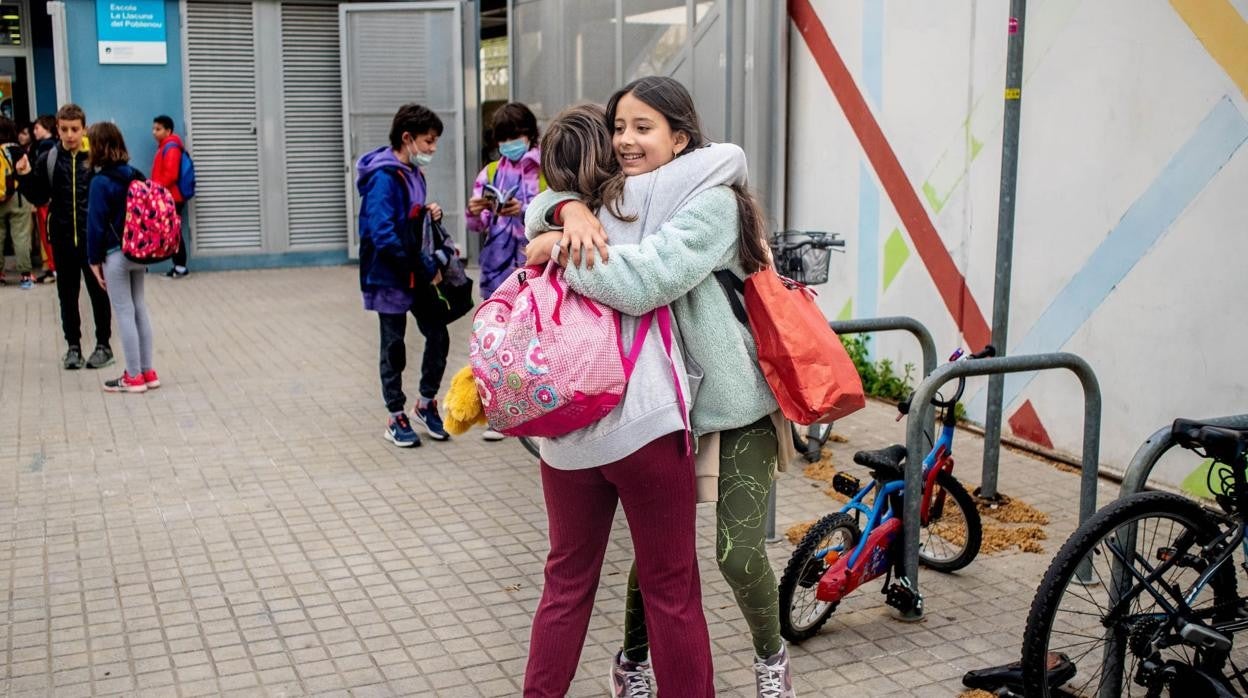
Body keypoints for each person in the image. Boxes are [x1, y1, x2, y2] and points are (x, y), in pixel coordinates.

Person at [525, 76, 796, 698]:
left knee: (734, 553)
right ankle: (633, 663)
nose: (625, 140)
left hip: (730, 405)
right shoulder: (630, 194)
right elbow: (559, 195)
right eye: (618, 126)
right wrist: (562, 213)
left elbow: (646, 280)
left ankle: (770, 655)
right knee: (661, 562)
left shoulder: (713, 204)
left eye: (642, 128)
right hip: (661, 408)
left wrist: (556, 247)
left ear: (681, 138)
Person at [356, 103, 453, 447]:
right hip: (389, 276)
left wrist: (430, 212)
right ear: (407, 138)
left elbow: (409, 220)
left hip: (414, 273)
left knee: (438, 335)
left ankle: (426, 404)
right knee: (394, 347)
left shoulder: (414, 174)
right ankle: (395, 414)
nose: (432, 149)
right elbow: (383, 234)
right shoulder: (383, 178)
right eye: (428, 141)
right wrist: (425, 267)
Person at [465, 102, 543, 442]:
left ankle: (539, 406)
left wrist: (522, 210)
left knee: (537, 340)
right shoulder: (492, 173)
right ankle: (500, 414)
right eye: (504, 139)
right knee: (495, 343)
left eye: (517, 136)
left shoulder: (546, 169)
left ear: (529, 135)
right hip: (497, 269)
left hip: (534, 268)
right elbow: (476, 223)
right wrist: (475, 210)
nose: (511, 144)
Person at [16, 104, 113, 370]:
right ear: (57, 129)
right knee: (67, 295)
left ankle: (104, 345)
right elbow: (38, 196)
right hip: (61, 239)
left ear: (84, 128)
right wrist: (23, 176)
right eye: (64, 129)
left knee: (98, 293)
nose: (70, 134)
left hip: (92, 240)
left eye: (75, 129)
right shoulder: (48, 158)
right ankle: (73, 347)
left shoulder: (96, 157)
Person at [84, 122, 160, 394]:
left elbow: (95, 225)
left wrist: (93, 260)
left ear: (96, 148)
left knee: (124, 312)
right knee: (140, 308)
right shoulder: (136, 174)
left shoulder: (100, 182)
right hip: (139, 251)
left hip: (115, 255)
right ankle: (148, 371)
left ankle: (133, 376)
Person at [150, 114, 189, 278]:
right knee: (172, 231)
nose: (154, 132)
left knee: (174, 232)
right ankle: (178, 266)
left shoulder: (171, 147)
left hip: (172, 197)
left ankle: (180, 267)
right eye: (153, 129)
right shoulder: (165, 146)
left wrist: (155, 187)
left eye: (158, 129)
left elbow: (171, 175)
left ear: (168, 130)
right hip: (169, 196)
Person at [0, 118, 35, 289]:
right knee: (21, 236)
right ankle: (26, 275)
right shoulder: (18, 150)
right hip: (18, 198)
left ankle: (0, 274)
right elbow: (27, 174)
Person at [30, 115, 56, 284]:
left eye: (37, 128)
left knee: (47, 234)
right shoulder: (52, 146)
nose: (34, 132)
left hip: (45, 199)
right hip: (48, 198)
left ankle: (53, 267)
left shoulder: (45, 148)